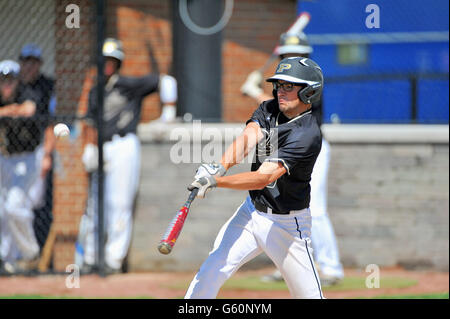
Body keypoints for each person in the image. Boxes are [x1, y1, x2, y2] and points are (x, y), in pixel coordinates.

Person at [185, 57, 325, 299]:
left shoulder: (307, 134)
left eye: (289, 86)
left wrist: (217, 181)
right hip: (251, 213)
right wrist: (218, 167)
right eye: (279, 85)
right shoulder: (268, 109)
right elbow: (248, 138)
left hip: (288, 226)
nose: (281, 91)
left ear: (309, 92)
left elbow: (263, 177)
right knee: (211, 271)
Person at [241, 28, 344, 286]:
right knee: (280, 205)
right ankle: (285, 264)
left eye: (298, 54)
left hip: (310, 148)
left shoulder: (310, 81)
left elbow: (284, 107)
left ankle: (331, 267)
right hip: (283, 148)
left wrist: (253, 90)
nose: (293, 58)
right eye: (288, 54)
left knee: (315, 208)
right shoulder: (282, 84)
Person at [78, 38, 178, 274]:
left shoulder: (128, 84)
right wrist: (89, 148)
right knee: (93, 204)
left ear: (118, 63)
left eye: (112, 61)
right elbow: (89, 123)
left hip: (124, 145)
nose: (107, 65)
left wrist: (168, 114)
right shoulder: (95, 91)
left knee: (119, 204)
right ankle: (90, 258)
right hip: (100, 147)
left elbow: (167, 81)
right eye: (104, 61)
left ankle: (113, 260)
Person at [0, 59, 53, 274]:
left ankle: (30, 253)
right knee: (3, 211)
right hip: (4, 157)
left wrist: (9, 109)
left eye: (10, 80)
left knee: (15, 205)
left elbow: (29, 109)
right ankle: (8, 258)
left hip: (28, 157)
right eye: (3, 80)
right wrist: (11, 110)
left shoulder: (29, 92)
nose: (7, 85)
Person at [18, 43, 56, 254]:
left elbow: (52, 121)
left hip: (39, 147)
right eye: (26, 62)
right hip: (13, 152)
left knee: (37, 203)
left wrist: (47, 154)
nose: (29, 67)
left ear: (40, 64)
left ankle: (37, 253)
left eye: (33, 62)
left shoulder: (47, 85)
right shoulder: (14, 87)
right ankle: (20, 254)